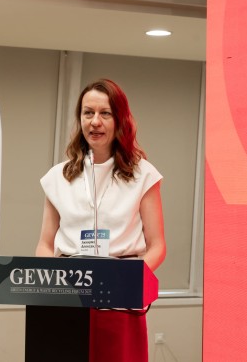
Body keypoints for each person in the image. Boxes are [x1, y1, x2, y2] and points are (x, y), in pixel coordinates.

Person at [36, 78, 166, 362]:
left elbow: (157, 247)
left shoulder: (144, 175)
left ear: (119, 119)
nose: (95, 121)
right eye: (88, 113)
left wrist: (125, 280)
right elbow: (45, 245)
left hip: (120, 303)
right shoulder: (58, 177)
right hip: (68, 304)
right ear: (80, 119)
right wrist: (56, 280)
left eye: (105, 113)